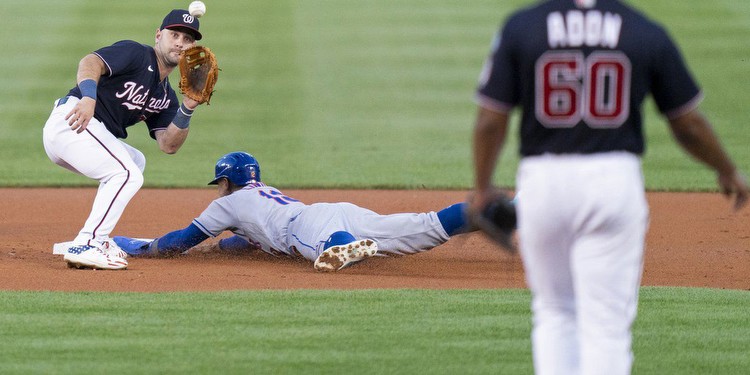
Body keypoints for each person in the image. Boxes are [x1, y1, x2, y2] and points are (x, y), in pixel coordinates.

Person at [469, 1, 749, 374]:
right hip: (612, 179)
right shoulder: (642, 30)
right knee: (607, 327)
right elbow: (687, 125)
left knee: (554, 313)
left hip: (542, 182)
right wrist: (726, 170)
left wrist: (483, 187)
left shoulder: (523, 27)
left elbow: (490, 122)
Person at [43, 9, 209, 270]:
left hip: (87, 135)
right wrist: (88, 96)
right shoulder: (137, 54)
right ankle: (89, 242)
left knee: (135, 161)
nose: (180, 42)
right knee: (127, 174)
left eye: (187, 39)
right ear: (158, 36)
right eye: (174, 35)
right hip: (73, 121)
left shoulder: (166, 95)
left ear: (193, 47)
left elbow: (168, 144)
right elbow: (90, 61)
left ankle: (95, 237)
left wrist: (187, 107)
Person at [113, 151, 474, 271]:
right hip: (338, 210)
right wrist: (222, 249)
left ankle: (345, 246)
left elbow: (181, 241)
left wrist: (138, 246)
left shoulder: (227, 203)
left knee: (325, 247)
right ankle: (490, 211)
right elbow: (250, 239)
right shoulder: (264, 194)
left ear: (226, 181)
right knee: (424, 226)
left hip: (308, 225)